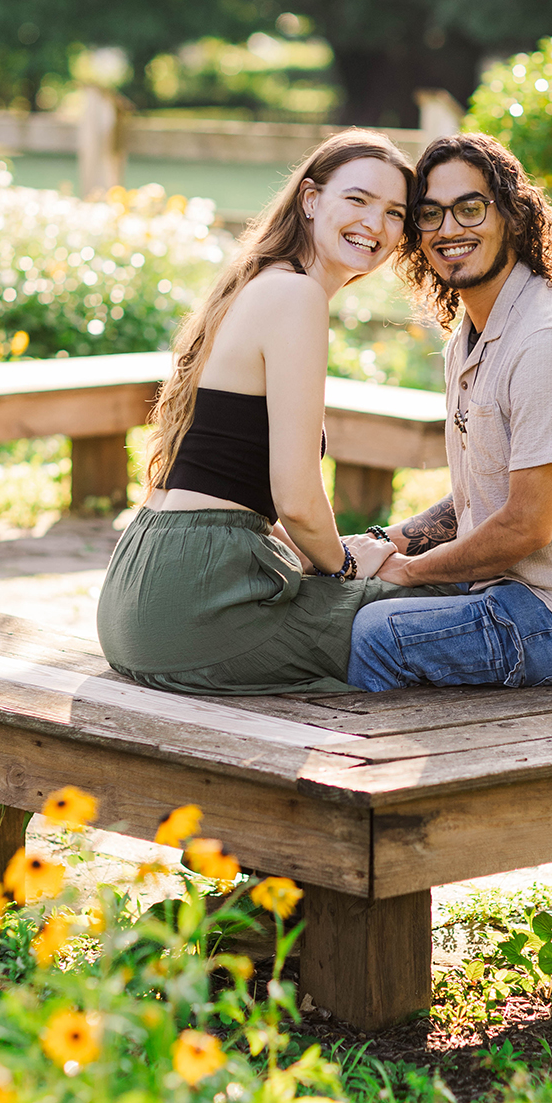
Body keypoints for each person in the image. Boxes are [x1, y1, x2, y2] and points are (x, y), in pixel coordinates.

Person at [96, 129, 441, 695]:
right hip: (198, 606)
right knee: (438, 606)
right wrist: (347, 566)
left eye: (395, 213)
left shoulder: (259, 284)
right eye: (357, 200)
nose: (375, 225)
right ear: (310, 199)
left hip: (140, 592)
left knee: (390, 591)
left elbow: (232, 478)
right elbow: (299, 500)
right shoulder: (296, 297)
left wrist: (320, 557)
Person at [344, 132, 552, 691]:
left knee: (380, 630)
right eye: (430, 214)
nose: (449, 229)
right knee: (350, 593)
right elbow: (479, 499)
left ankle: (398, 769)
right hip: (510, 593)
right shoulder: (473, 337)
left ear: (512, 217)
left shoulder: (548, 342)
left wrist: (411, 572)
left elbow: (525, 526)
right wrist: (381, 543)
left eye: (470, 208)